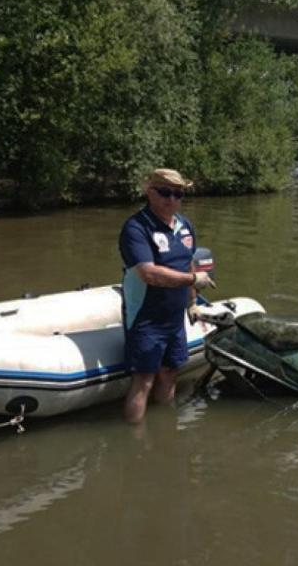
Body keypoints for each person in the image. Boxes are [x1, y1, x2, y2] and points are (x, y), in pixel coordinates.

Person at [119, 168, 215, 423]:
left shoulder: (185, 226)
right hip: (146, 318)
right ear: (150, 192)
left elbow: (189, 264)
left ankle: (164, 429)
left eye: (178, 193)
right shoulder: (136, 228)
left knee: (170, 372)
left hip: (175, 318)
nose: (172, 199)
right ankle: (134, 439)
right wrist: (192, 280)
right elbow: (149, 273)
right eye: (165, 192)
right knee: (144, 380)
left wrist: (192, 302)